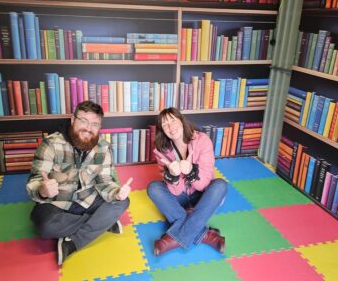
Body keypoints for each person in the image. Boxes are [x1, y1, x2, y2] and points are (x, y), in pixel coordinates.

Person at [26, 101, 133, 267]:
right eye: (83, 121)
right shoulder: (51, 144)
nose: (88, 128)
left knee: (123, 201)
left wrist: (116, 193)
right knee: (45, 226)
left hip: (88, 199)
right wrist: (43, 190)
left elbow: (105, 182)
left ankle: (73, 243)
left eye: (94, 124)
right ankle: (101, 223)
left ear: (99, 127)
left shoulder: (103, 148)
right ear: (72, 120)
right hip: (58, 203)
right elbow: (34, 182)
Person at [147, 107, 227, 257]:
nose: (170, 127)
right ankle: (205, 234)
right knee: (153, 188)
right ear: (162, 130)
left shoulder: (202, 140)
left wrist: (190, 171)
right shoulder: (161, 151)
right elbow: (174, 192)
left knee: (220, 185)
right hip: (180, 199)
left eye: (173, 120)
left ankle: (171, 240)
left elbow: (204, 184)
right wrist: (173, 176)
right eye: (165, 125)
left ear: (181, 121)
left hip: (202, 197)